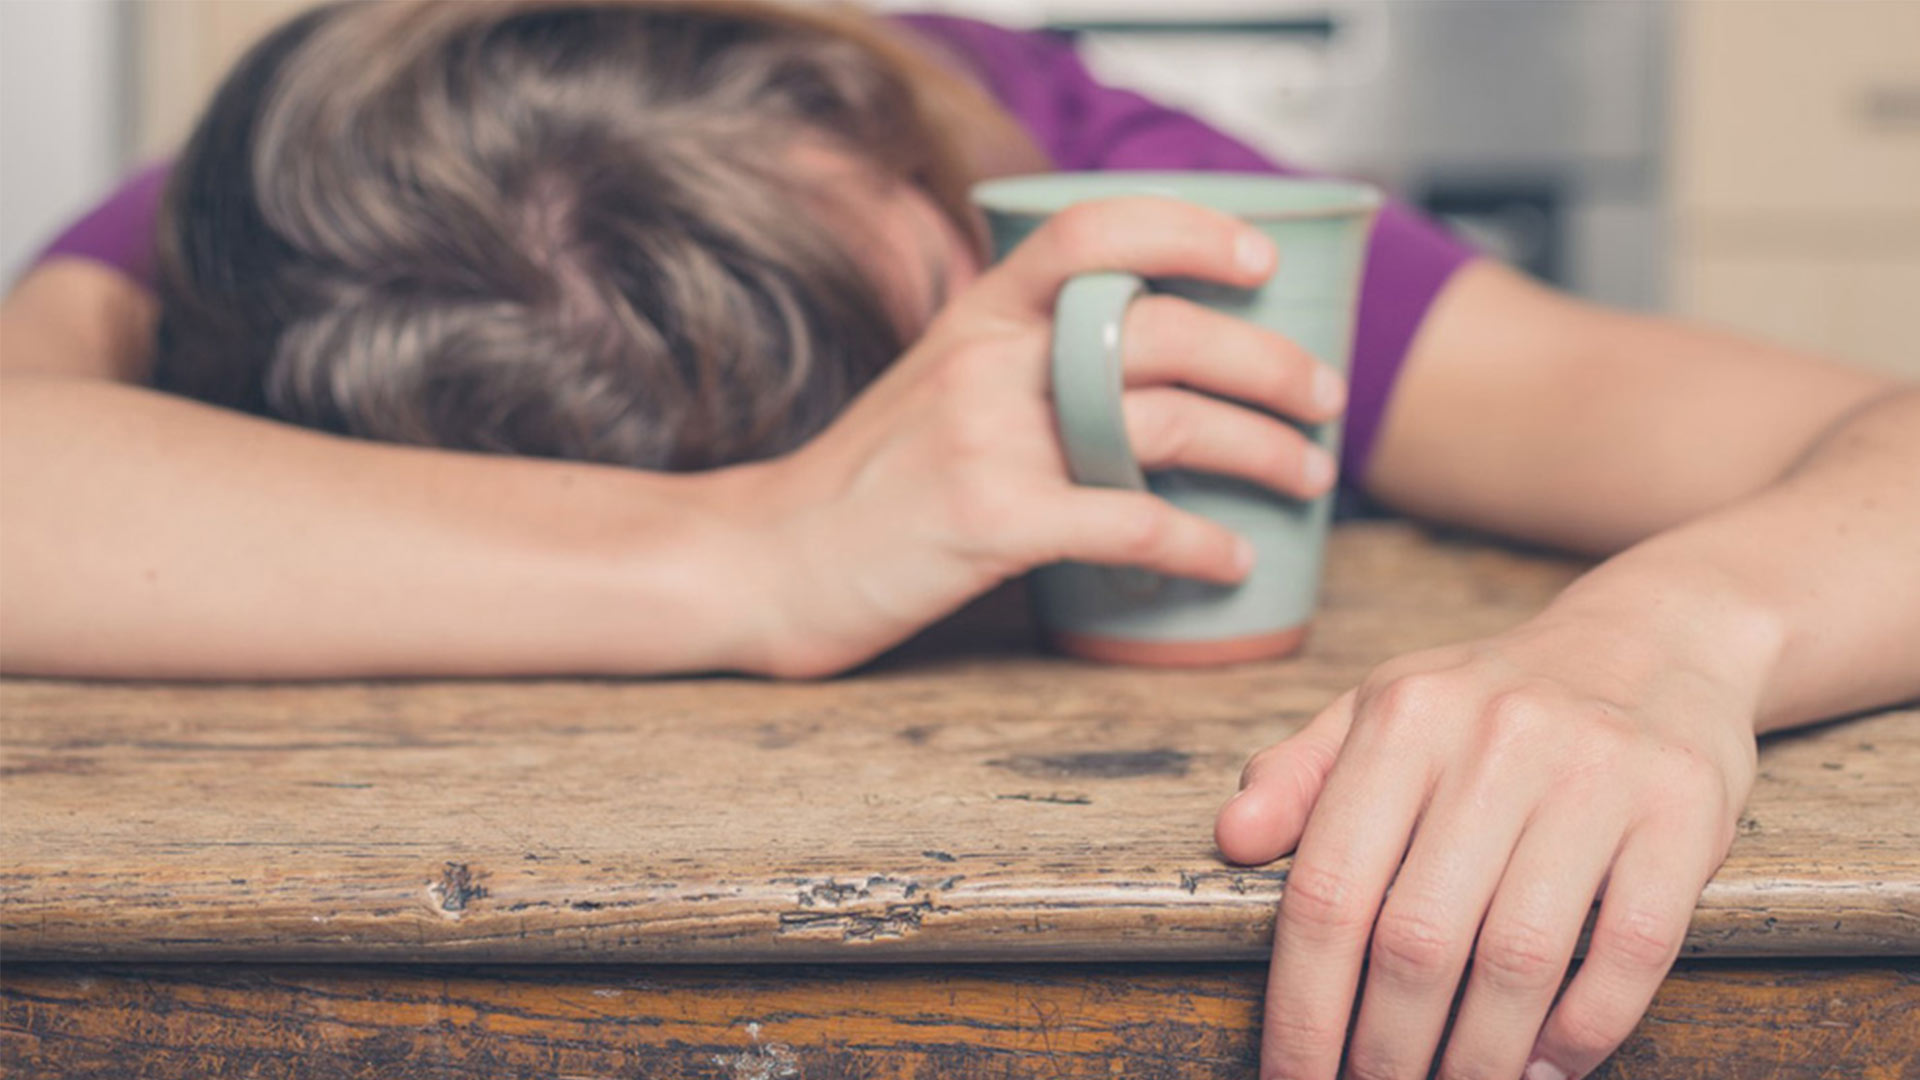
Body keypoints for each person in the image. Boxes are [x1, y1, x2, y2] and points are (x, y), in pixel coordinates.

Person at [1, 3, 1913, 1078]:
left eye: (959, 343)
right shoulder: (330, 196)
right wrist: (753, 557)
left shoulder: (1101, 196)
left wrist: (1671, 641)